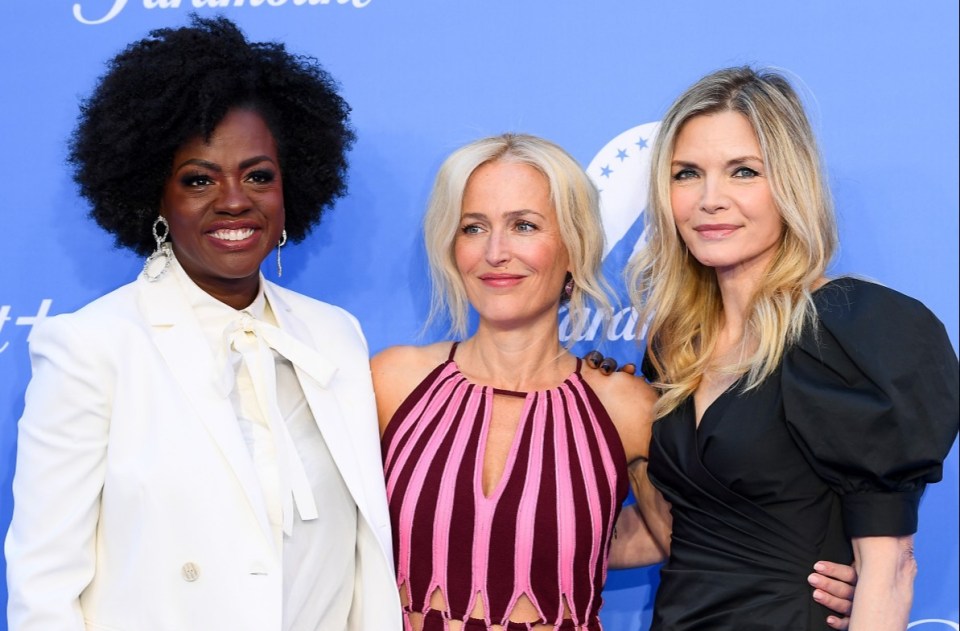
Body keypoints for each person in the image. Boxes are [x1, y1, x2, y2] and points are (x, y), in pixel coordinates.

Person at [5, 15, 401, 631]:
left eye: (258, 176)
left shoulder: (334, 336)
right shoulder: (91, 347)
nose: (235, 200)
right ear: (152, 198)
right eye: (198, 180)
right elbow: (44, 587)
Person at [371, 133, 857, 631]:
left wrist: (821, 578)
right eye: (473, 227)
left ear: (573, 248)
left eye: (524, 225)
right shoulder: (393, 382)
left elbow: (693, 542)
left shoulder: (624, 405)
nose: (496, 251)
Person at [612, 66, 960, 630]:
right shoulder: (675, 345)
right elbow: (677, 532)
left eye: (743, 172)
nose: (709, 199)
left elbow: (890, 566)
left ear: (792, 184)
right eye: (687, 174)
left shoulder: (852, 329)